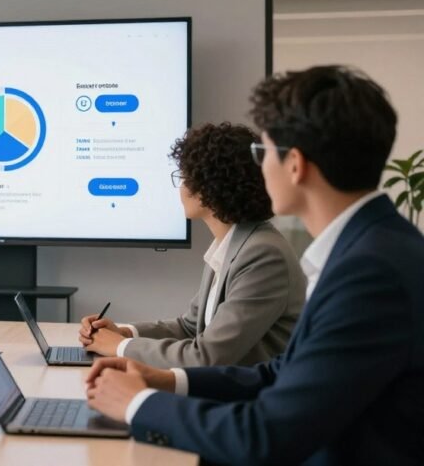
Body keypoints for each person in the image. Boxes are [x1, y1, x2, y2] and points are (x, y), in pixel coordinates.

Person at [86, 66, 424, 465]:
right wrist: (166, 380)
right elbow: (279, 373)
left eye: (262, 154)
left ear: (295, 165)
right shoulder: (369, 248)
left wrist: (138, 404)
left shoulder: (370, 272)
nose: (259, 170)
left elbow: (266, 435)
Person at [79, 122, 305, 368]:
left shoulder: (262, 255)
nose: (182, 187)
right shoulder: (232, 244)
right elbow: (189, 327)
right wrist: (126, 333)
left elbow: (206, 356)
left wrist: (118, 347)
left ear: (210, 185)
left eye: (185, 177)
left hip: (247, 400)